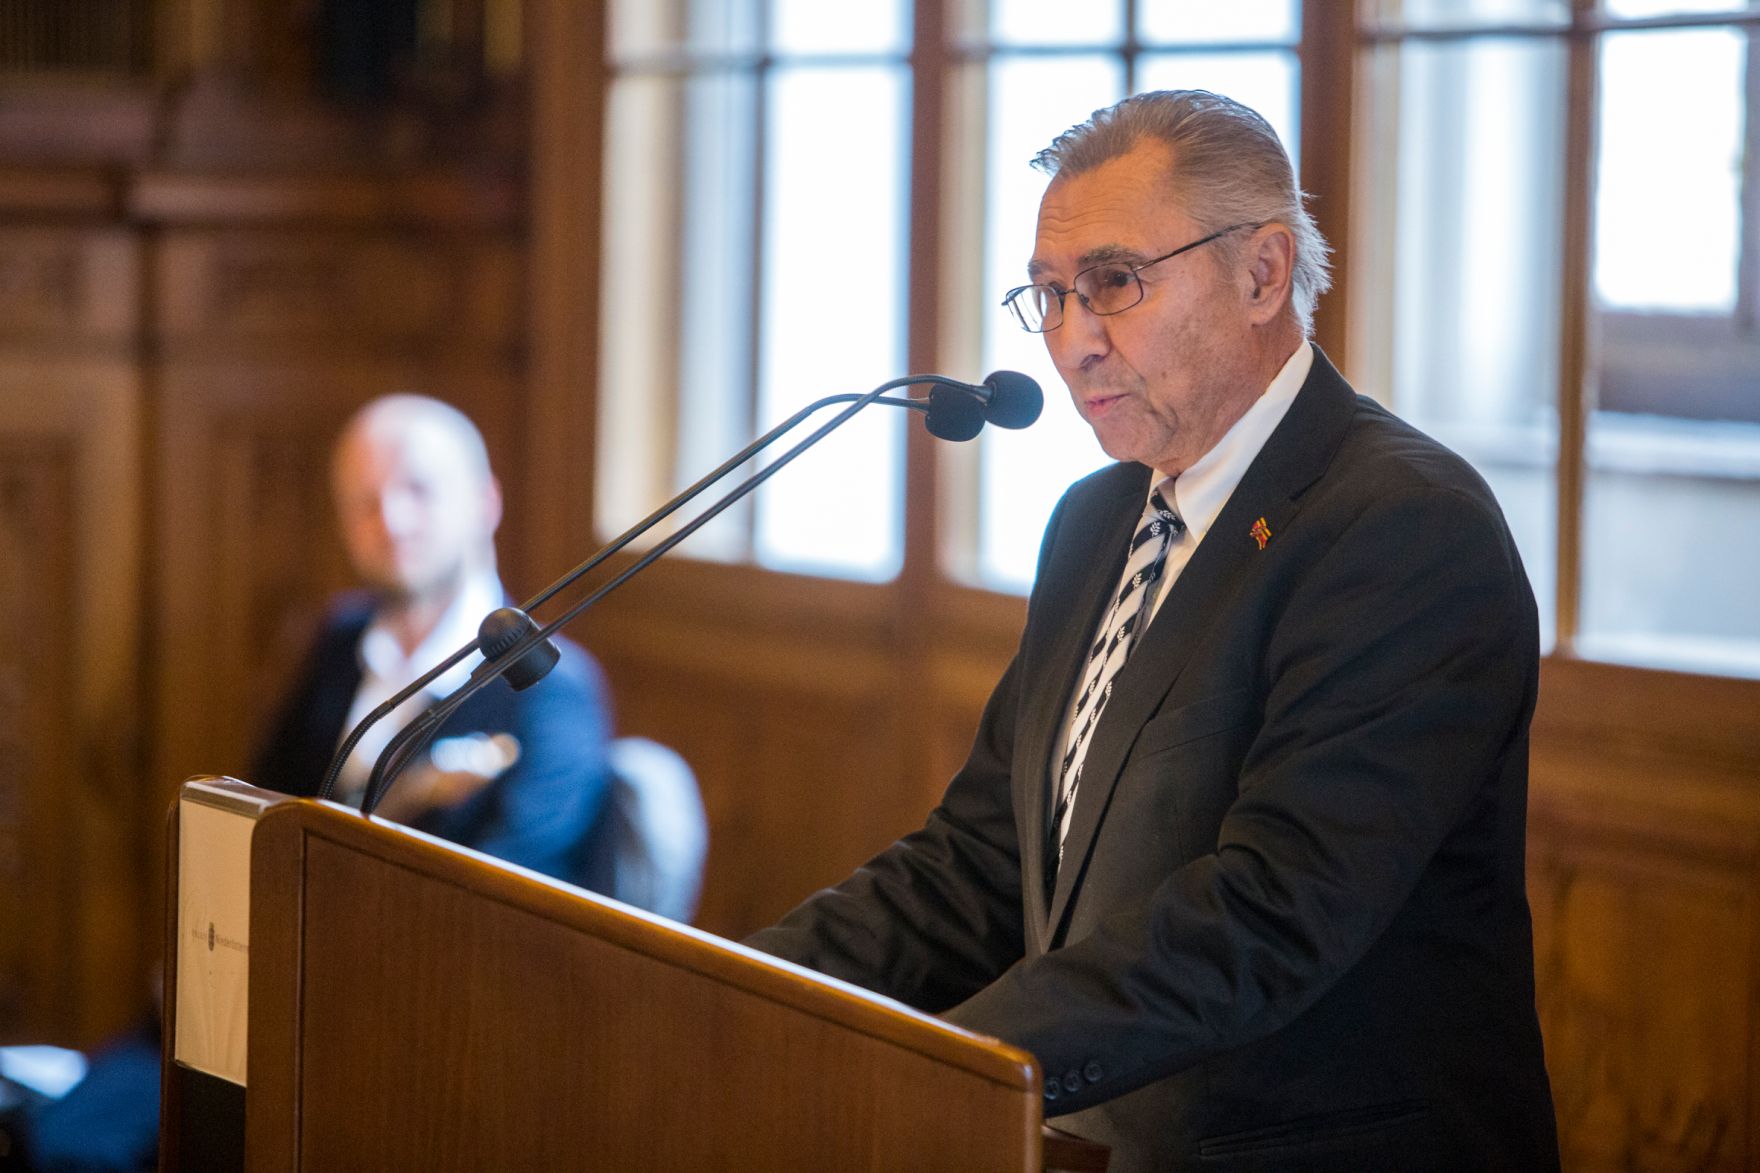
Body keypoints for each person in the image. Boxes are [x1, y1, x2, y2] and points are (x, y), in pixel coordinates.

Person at [746, 90, 1559, 1170]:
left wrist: (947, 1063)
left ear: (1262, 274)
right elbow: (981, 863)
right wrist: (735, 989)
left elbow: (1269, 910)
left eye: (1113, 284)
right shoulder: (1095, 520)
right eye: (1046, 296)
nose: (1071, 342)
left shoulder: (1400, 526)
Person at [253, 394, 615, 886]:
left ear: (485, 503)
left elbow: (514, 885)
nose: (392, 522)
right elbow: (263, 809)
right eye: (365, 502)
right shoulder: (336, 637)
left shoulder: (551, 686)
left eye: (418, 490)